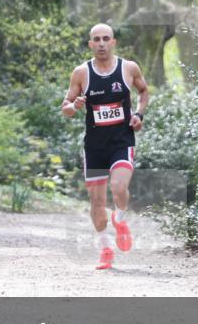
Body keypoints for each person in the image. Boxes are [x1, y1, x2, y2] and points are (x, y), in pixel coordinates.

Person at [61, 23, 149, 270]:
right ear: (90, 44)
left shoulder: (128, 68)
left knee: (119, 187)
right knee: (96, 201)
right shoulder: (81, 72)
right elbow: (65, 107)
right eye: (96, 39)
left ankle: (119, 219)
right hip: (95, 146)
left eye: (105, 39)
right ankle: (105, 249)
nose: (101, 43)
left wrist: (139, 115)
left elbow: (144, 92)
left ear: (113, 42)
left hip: (122, 141)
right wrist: (74, 106)